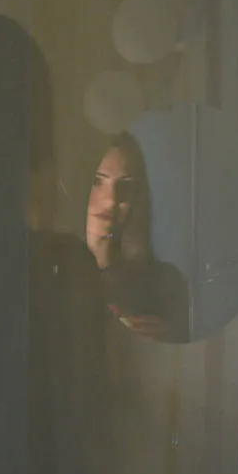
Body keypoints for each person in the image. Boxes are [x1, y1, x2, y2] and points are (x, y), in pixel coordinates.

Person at [84, 132, 190, 342]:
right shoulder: (56, 272)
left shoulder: (165, 284)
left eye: (124, 186)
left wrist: (168, 337)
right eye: (98, 181)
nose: (111, 200)